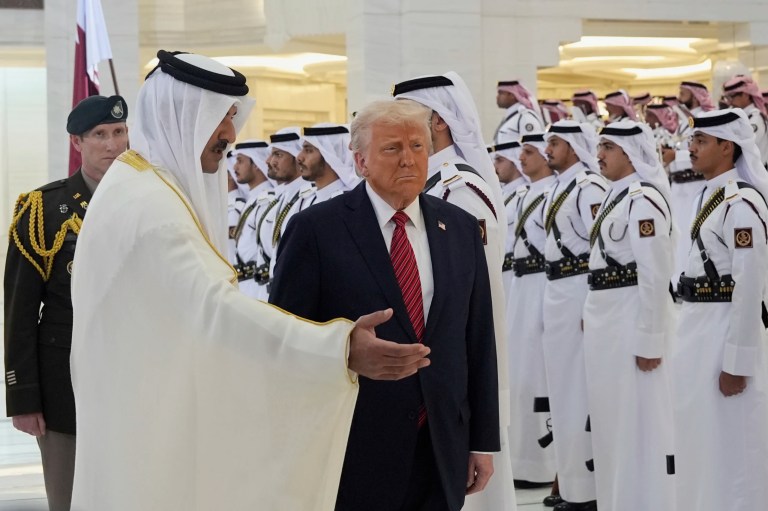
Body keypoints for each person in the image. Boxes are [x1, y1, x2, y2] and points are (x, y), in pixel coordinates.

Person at [68, 50, 431, 511]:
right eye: (220, 118)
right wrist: (338, 347)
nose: (230, 135)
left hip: (151, 405)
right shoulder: (151, 208)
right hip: (153, 417)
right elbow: (216, 310)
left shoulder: (141, 184)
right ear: (183, 115)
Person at [270, 98, 500, 511]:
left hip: (441, 441)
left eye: (418, 146)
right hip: (354, 442)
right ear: (359, 161)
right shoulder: (315, 231)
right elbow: (284, 338)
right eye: (392, 148)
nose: (409, 160)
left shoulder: (460, 228)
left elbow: (478, 337)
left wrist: (482, 440)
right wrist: (342, 349)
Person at [394, 71, 517, 511]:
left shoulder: (459, 189)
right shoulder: (423, 185)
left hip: (456, 368)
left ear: (439, 122)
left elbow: (472, 300)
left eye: (407, 117)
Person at [3, 94, 128, 511]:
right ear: (77, 143)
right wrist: (23, 398)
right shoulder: (44, 209)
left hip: (134, 375)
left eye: (119, 132)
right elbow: (19, 311)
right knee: (70, 497)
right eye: (99, 135)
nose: (112, 144)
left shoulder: (146, 199)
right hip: (64, 383)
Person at [671, 108, 768, 511]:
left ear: (727, 148)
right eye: (692, 141)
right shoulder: (709, 196)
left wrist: (737, 362)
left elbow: (750, 286)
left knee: (732, 445)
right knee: (702, 438)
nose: (691, 149)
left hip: (723, 333)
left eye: (701, 142)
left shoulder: (741, 203)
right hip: (698, 327)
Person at [583, 121, 676, 511]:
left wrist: (650, 338)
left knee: (638, 419)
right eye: (599, 144)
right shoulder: (615, 196)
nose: (599, 153)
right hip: (606, 319)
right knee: (611, 418)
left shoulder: (643, 201)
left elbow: (654, 276)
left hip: (628, 321)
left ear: (630, 153)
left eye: (608, 146)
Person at [541, 120, 607, 511]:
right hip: (557, 290)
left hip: (578, 287)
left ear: (574, 146)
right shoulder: (561, 187)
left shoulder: (589, 187)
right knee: (562, 389)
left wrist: (590, 301)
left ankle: (586, 489)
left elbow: (601, 247)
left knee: (579, 389)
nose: (549, 148)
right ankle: (570, 483)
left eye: (555, 143)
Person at [506, 132, 557, 489]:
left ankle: (546, 465)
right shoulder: (523, 194)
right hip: (519, 287)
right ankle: (521, 461)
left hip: (545, 285)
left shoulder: (559, 192)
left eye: (529, 152)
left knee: (539, 374)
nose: (521, 158)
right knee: (519, 375)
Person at [257, 127, 304, 297]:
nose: (269, 161)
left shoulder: (308, 198)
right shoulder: (283, 196)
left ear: (296, 158)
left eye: (278, 154)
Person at [230, 140, 274, 298]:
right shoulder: (253, 199)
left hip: (259, 287)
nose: (235, 167)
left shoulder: (268, 200)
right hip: (246, 286)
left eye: (240, 161)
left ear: (256, 163)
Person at [295, 123, 359, 210]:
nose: (299, 158)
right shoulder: (306, 200)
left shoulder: (349, 203)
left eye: (308, 150)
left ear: (330, 155)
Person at [723, 75, 768, 166]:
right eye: (727, 98)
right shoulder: (741, 116)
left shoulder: (755, 118)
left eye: (731, 97)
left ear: (746, 95)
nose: (729, 102)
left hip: (756, 175)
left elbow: (741, 148)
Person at [493, 79, 543, 144]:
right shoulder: (512, 117)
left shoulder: (525, 117)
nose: (497, 97)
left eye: (501, 93)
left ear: (512, 95)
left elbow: (532, 146)